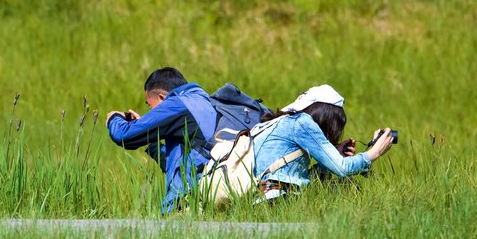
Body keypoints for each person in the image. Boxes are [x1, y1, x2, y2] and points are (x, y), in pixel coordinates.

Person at [249, 84, 394, 202]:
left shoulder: (278, 123)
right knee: (348, 186)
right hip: (279, 200)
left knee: (336, 186)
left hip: (265, 200)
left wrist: (333, 156)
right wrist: (375, 152)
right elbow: (342, 169)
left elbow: (299, 178)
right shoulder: (302, 122)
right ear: (327, 118)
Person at [106, 67, 217, 213]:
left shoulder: (175, 105)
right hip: (212, 192)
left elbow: (123, 135)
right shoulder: (204, 101)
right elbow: (179, 162)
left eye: (150, 105)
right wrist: (150, 138)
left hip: (189, 201)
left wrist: (114, 118)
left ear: (162, 98)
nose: (152, 112)